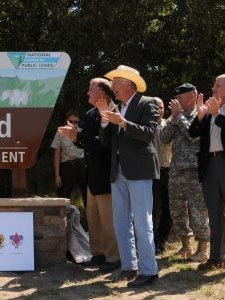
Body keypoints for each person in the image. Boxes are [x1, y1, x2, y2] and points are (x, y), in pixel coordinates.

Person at [98, 65, 159, 287]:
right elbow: (106, 142)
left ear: (128, 84)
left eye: (115, 83)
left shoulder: (147, 103)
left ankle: (149, 270)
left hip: (139, 170)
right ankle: (129, 266)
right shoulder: (118, 107)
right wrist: (105, 122)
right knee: (121, 222)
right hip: (119, 171)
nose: (112, 87)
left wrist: (122, 122)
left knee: (142, 222)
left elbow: (150, 134)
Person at [66, 78, 120, 272]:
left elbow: (103, 144)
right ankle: (98, 254)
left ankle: (114, 258)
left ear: (103, 94)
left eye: (91, 89)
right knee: (94, 219)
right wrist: (74, 137)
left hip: (107, 175)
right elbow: (87, 143)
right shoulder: (89, 114)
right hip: (91, 175)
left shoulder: (115, 113)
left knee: (108, 220)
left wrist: (77, 136)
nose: (87, 92)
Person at [160, 84, 210, 262]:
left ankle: (203, 248)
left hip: (194, 170)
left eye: (180, 97)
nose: (177, 100)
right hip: (175, 171)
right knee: (177, 210)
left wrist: (179, 116)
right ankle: (185, 246)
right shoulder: (176, 116)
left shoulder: (201, 114)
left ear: (191, 96)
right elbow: (163, 138)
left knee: (198, 210)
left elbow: (193, 136)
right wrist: (173, 119)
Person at [189, 74, 225, 270]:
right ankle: (216, 257)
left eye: (217, 86)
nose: (213, 89)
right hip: (210, 166)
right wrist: (201, 115)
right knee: (214, 213)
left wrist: (218, 115)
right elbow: (193, 133)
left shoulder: (217, 112)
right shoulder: (210, 111)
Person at [51, 110, 87, 205]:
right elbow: (57, 154)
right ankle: (62, 218)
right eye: (71, 121)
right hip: (67, 166)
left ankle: (90, 218)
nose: (73, 123)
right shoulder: (60, 132)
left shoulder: (83, 133)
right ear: (66, 121)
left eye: (76, 122)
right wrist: (57, 175)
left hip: (81, 165)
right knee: (63, 197)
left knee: (87, 196)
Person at [152, 97, 173, 255]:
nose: (160, 110)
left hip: (168, 170)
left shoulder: (169, 124)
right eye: (156, 107)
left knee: (170, 209)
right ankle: (152, 243)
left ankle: (162, 239)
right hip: (151, 172)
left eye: (162, 107)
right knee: (152, 209)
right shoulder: (146, 125)